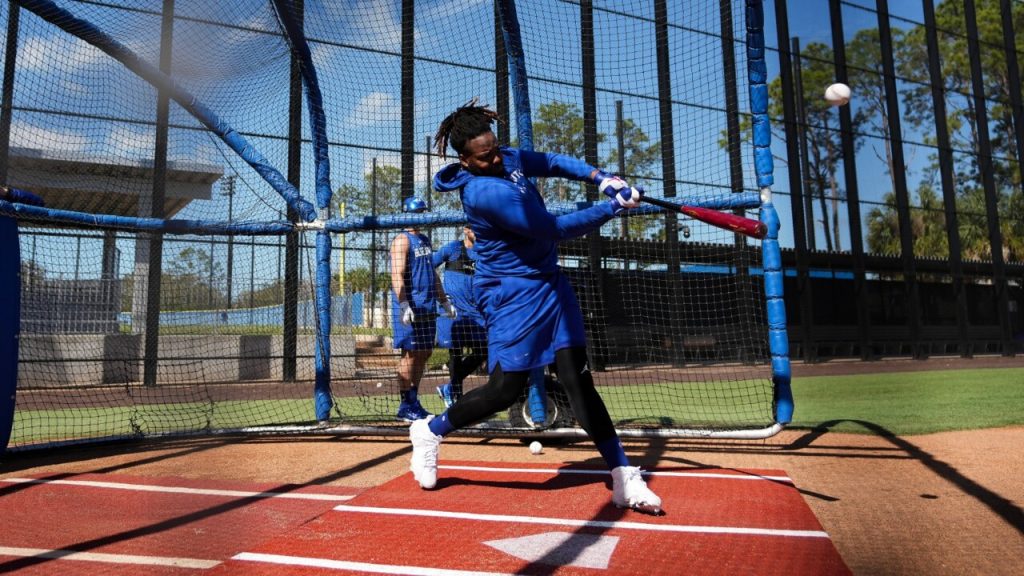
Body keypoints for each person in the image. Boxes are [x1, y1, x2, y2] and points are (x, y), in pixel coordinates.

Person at [408, 99, 662, 514]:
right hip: (510, 293)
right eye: (485, 155)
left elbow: (554, 161)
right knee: (504, 390)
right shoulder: (484, 192)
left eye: (496, 147)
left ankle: (623, 476)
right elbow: (552, 230)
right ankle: (431, 431)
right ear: (466, 160)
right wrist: (613, 207)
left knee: (578, 380)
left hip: (550, 285)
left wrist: (602, 179)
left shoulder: (503, 158)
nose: (496, 157)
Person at [390, 196, 457, 422]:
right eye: (419, 212)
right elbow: (396, 274)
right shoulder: (402, 239)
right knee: (410, 354)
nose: (422, 216)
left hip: (427, 305)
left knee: (424, 353)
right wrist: (403, 304)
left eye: (423, 212)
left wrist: (444, 301)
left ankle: (413, 400)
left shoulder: (425, 240)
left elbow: (432, 274)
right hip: (411, 305)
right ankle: (405, 404)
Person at [431, 225, 487, 408]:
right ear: (465, 230)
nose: (477, 232)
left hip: (476, 314)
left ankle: (449, 388)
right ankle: (455, 396)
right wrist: (441, 295)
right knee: (455, 352)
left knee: (483, 351)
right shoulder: (453, 248)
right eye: (473, 229)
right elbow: (428, 266)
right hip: (452, 313)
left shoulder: (484, 253)